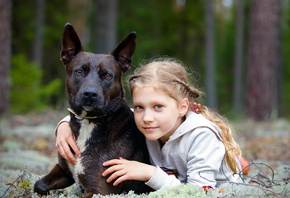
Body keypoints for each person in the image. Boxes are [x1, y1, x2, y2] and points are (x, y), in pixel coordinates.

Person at [55, 58, 245, 191]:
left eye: (158, 106)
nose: (146, 117)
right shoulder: (148, 123)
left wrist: (150, 173)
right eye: (139, 106)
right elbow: (109, 114)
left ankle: (237, 164)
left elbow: (200, 192)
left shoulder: (200, 136)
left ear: (182, 107)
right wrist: (64, 125)